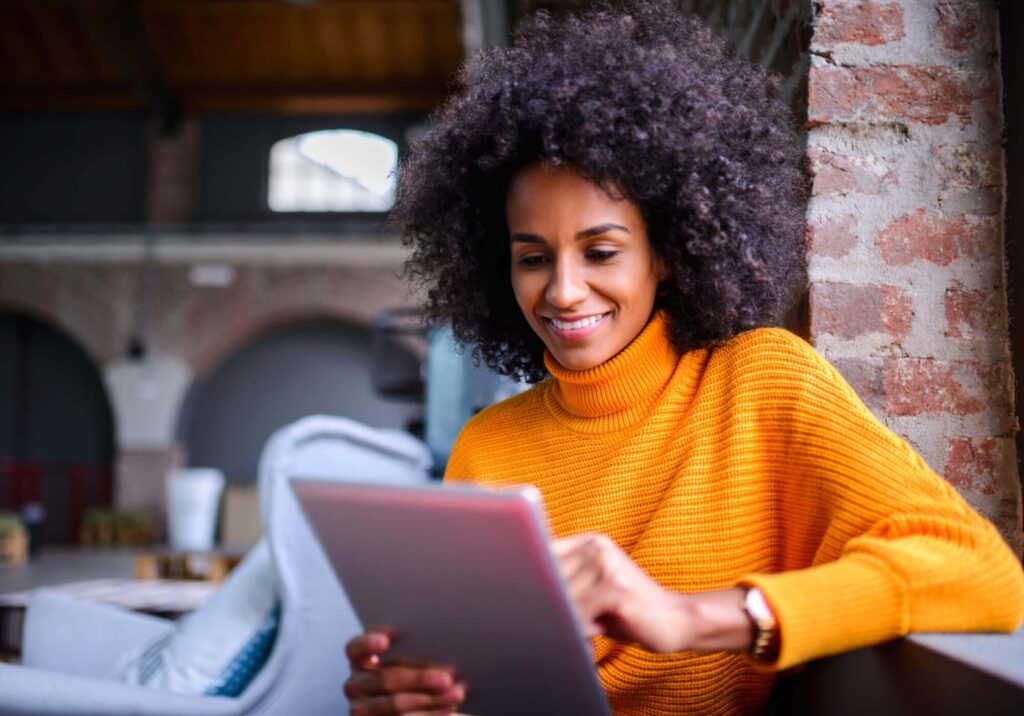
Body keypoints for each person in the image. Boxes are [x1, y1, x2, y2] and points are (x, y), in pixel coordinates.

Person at [343, 2, 1024, 714]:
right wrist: (412, 697)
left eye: (601, 251)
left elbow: (979, 573)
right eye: (533, 258)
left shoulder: (760, 381)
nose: (564, 291)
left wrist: (692, 616)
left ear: (667, 252)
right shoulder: (487, 448)